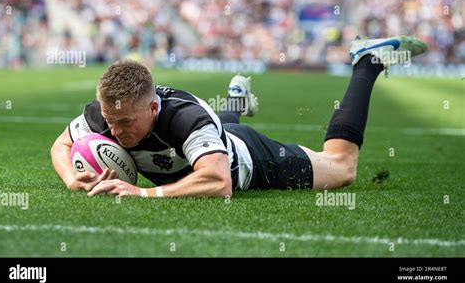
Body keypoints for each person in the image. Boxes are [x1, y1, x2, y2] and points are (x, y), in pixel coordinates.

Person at [50, 35, 427, 198]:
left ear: (152, 109)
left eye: (126, 124)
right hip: (211, 141)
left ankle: (367, 63)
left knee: (342, 167)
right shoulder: (109, 112)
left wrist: (144, 193)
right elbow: (62, 144)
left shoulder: (185, 118)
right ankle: (235, 99)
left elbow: (217, 182)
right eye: (109, 122)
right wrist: (71, 178)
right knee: (218, 132)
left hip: (250, 162)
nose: (114, 131)